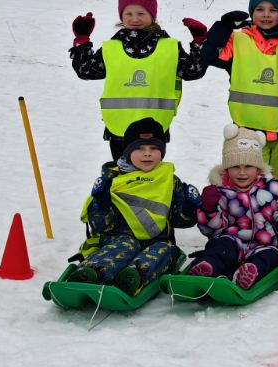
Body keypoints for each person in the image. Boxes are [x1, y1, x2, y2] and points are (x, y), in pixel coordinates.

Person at [58, 117, 198, 294]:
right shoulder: (115, 180)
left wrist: (189, 207)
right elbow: (101, 227)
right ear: (127, 152)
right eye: (139, 148)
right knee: (124, 246)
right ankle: (92, 273)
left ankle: (133, 277)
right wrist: (102, 203)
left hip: (158, 240)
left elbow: (180, 221)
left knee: (166, 251)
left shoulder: (168, 180)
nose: (147, 153)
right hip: (118, 238)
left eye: (154, 148)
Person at [70, 0, 208, 158]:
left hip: (154, 131)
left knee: (151, 175)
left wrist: (200, 43)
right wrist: (82, 40)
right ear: (121, 16)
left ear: (152, 15)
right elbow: (86, 71)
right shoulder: (111, 48)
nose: (134, 19)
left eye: (141, 13)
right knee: (122, 174)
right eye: (128, 14)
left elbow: (193, 71)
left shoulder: (170, 47)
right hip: (119, 131)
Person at [202, 0, 278, 186]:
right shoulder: (238, 40)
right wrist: (223, 26)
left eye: (273, 10)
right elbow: (209, 54)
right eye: (260, 9)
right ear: (251, 12)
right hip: (247, 129)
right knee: (248, 183)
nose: (266, 14)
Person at [189, 125, 278, 289]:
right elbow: (212, 230)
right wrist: (208, 209)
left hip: (264, 244)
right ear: (227, 168)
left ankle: (249, 273)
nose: (242, 173)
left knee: (271, 256)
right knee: (221, 248)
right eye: (235, 166)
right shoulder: (220, 191)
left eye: (248, 166)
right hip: (232, 241)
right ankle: (207, 267)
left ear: (258, 168)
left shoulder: (272, 188)